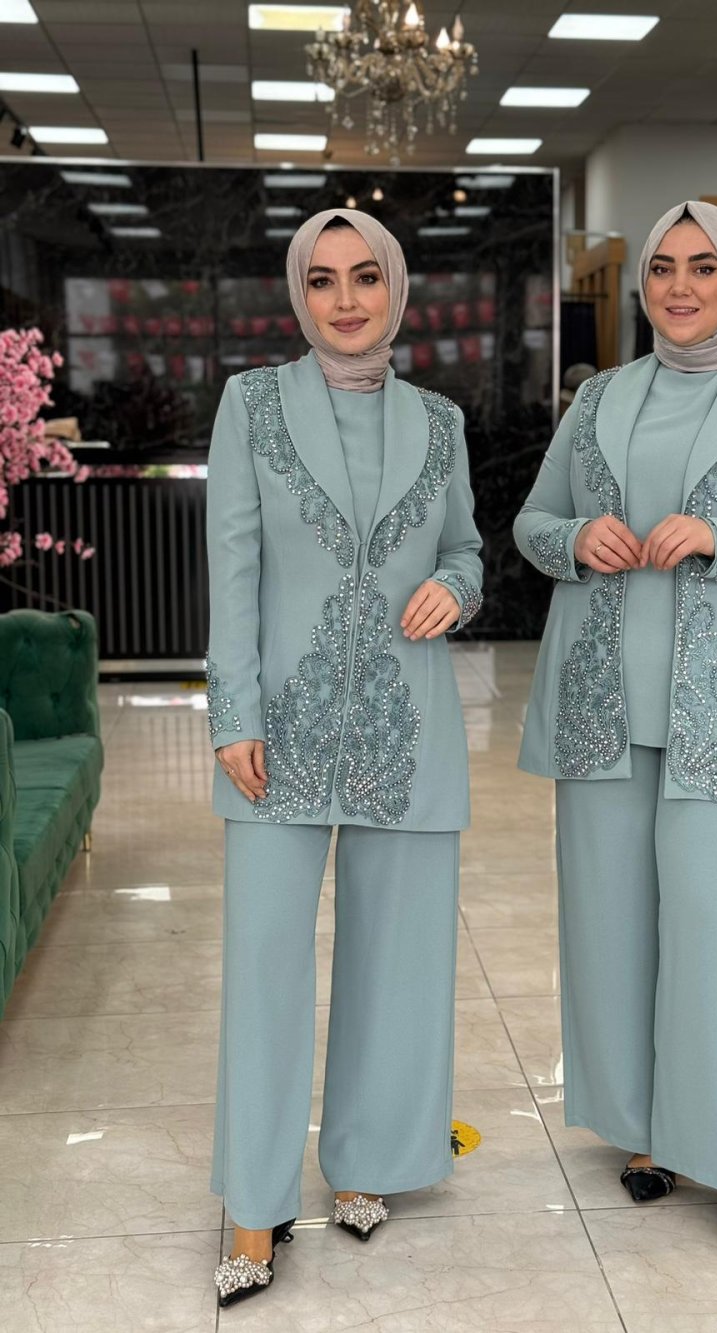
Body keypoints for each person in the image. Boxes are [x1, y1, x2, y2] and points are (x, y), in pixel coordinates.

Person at [513, 200, 717, 1264]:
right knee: (612, 928)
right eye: (662, 267)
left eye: (704, 267)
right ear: (642, 284)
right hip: (603, 705)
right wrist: (576, 536)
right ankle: (647, 1127)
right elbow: (530, 522)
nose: (680, 286)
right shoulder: (598, 397)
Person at [205, 208, 483, 1308]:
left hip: (406, 727)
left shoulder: (440, 421)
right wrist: (232, 712)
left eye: (365, 277)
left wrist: (455, 586)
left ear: (396, 289)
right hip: (278, 727)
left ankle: (367, 1158)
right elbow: (232, 565)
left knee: (396, 958)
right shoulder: (251, 404)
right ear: (299, 294)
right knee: (265, 964)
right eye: (322, 281)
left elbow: (465, 547)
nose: (346, 299)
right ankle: (252, 1201)